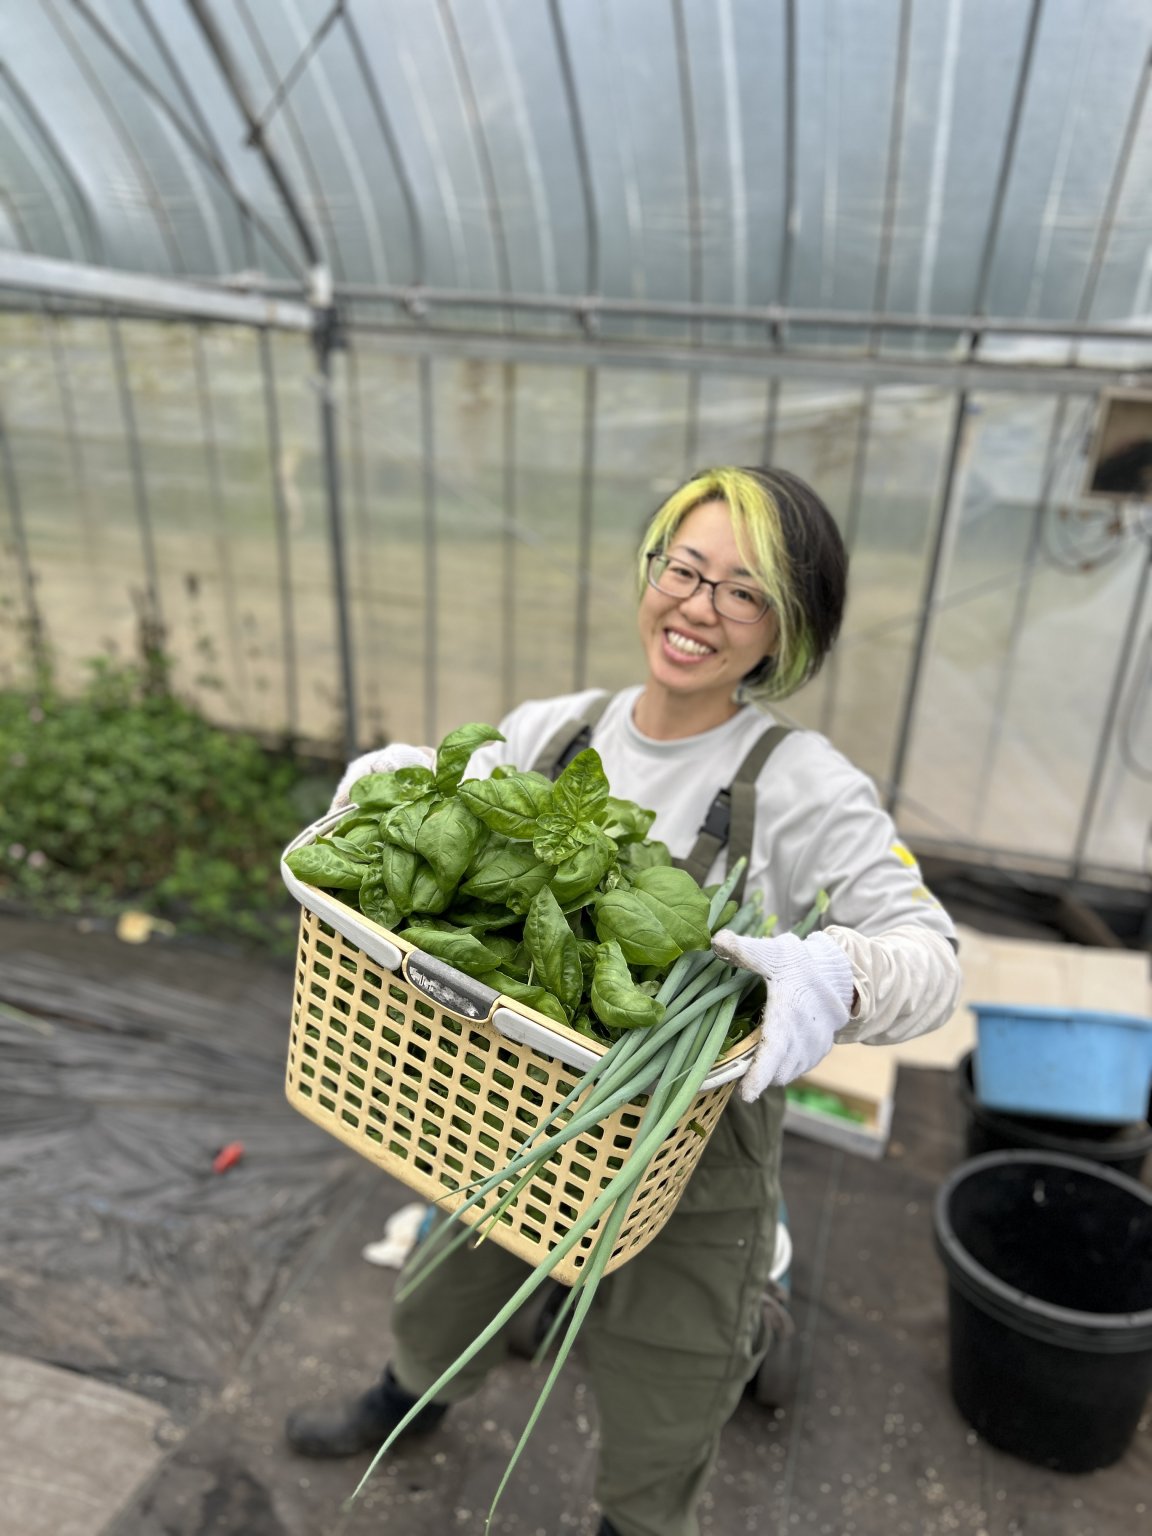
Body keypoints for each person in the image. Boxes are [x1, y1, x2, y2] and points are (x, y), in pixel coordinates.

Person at [285, 466, 962, 1536]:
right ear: (651, 573)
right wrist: (400, 786)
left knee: (676, 1372)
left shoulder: (802, 783)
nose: (699, 607)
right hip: (512, 1100)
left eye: (744, 592)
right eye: (684, 569)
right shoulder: (557, 732)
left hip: (690, 1141)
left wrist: (836, 972)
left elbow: (932, 954)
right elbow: (446, 813)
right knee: (446, 1279)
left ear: (787, 629)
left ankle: (635, 1523)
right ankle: (407, 1399)